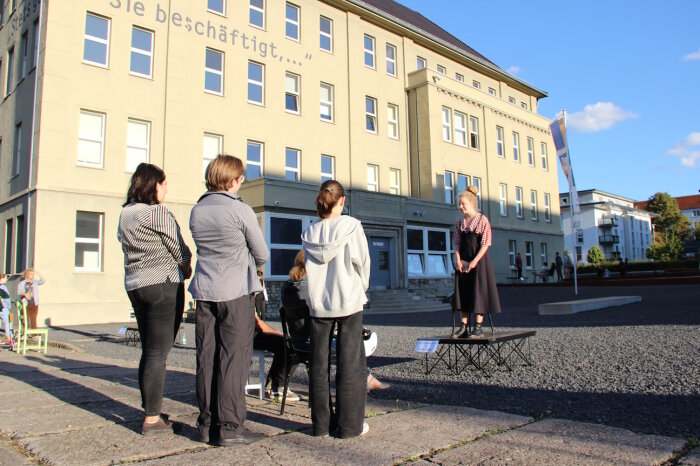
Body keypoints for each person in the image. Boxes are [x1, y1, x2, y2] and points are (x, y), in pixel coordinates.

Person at [189, 155, 269, 446]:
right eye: (240, 179)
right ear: (232, 180)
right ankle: (231, 425)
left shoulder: (197, 210)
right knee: (233, 359)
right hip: (235, 291)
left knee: (207, 358)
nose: (241, 183)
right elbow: (262, 252)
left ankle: (207, 423)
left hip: (205, 291)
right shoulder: (240, 209)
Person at [117, 163, 192, 436]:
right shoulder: (157, 213)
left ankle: (151, 409)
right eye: (164, 183)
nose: (167, 188)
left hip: (136, 285)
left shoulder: (126, 215)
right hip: (162, 284)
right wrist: (187, 267)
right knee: (159, 353)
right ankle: (151, 419)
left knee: (149, 351)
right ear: (154, 185)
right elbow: (179, 248)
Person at [302, 180, 370, 439]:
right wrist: (362, 286)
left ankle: (320, 426)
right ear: (341, 201)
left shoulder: (310, 231)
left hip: (319, 303)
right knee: (350, 363)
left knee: (318, 365)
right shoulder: (351, 226)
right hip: (348, 298)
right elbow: (362, 263)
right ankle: (350, 426)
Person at [281, 250, 389, 393]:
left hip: (297, 343)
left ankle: (366, 379)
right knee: (350, 343)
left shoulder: (287, 288)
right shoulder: (312, 289)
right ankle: (364, 381)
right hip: (317, 343)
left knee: (347, 341)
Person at [452, 186, 501, 338]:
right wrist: (459, 261)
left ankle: (478, 326)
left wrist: (474, 262)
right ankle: (463, 326)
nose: (460, 207)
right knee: (463, 293)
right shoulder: (459, 223)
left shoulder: (482, 220)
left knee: (478, 293)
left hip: (479, 263)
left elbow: (486, 244)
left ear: (472, 203)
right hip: (463, 263)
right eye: (459, 204)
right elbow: (456, 244)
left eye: (463, 204)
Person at [0, 274, 12, 344]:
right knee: (7, 323)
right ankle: (9, 338)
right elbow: (7, 298)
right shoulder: (3, 287)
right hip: (3, 307)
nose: (6, 280)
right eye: (5, 278)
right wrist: (9, 306)